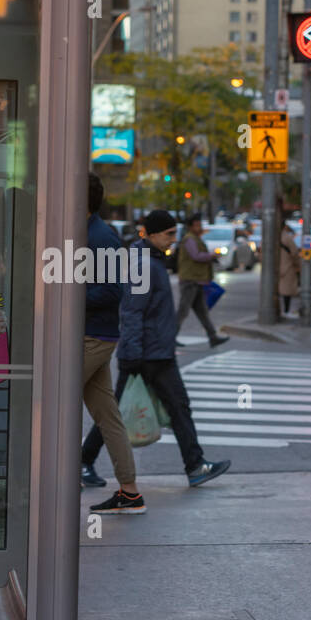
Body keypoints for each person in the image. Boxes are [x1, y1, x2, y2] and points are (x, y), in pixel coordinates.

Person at [83, 208, 231, 499]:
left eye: (174, 234)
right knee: (170, 408)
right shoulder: (143, 264)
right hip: (149, 354)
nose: (173, 240)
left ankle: (85, 460)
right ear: (150, 234)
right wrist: (133, 354)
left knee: (121, 412)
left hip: (152, 351)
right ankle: (194, 465)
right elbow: (132, 312)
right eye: (168, 234)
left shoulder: (150, 260)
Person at [80, 173, 138, 497]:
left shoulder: (102, 237)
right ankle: (130, 490)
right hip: (94, 335)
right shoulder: (90, 233)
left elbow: (114, 290)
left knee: (49, 406)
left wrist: (70, 299)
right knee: (109, 418)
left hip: (93, 338)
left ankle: (41, 485)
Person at [173, 213, 229, 348]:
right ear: (190, 227)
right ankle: (170, 337)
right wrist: (212, 255)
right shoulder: (190, 239)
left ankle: (213, 337)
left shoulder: (195, 238)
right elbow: (196, 256)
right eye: (197, 225)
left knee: (202, 312)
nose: (200, 227)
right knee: (183, 311)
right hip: (190, 281)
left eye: (200, 225)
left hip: (196, 281)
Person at [278, 212, 299, 315]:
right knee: (287, 291)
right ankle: (286, 311)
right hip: (287, 267)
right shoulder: (287, 238)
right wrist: (297, 265)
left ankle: (279, 311)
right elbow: (294, 253)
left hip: (274, 268)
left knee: (277, 290)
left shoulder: (269, 238)